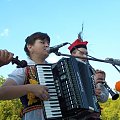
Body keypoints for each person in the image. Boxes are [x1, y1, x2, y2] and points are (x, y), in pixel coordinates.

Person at [0, 32, 51, 120]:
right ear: (30, 47)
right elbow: (2, 92)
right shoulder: (23, 69)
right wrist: (30, 88)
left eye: (48, 43)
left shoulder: (57, 69)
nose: (47, 45)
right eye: (42, 42)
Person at [68, 37, 109, 120]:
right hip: (73, 116)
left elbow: (104, 98)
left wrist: (99, 88)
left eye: (86, 54)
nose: (85, 56)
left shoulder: (93, 71)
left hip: (93, 116)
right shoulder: (65, 67)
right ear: (73, 55)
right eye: (82, 53)